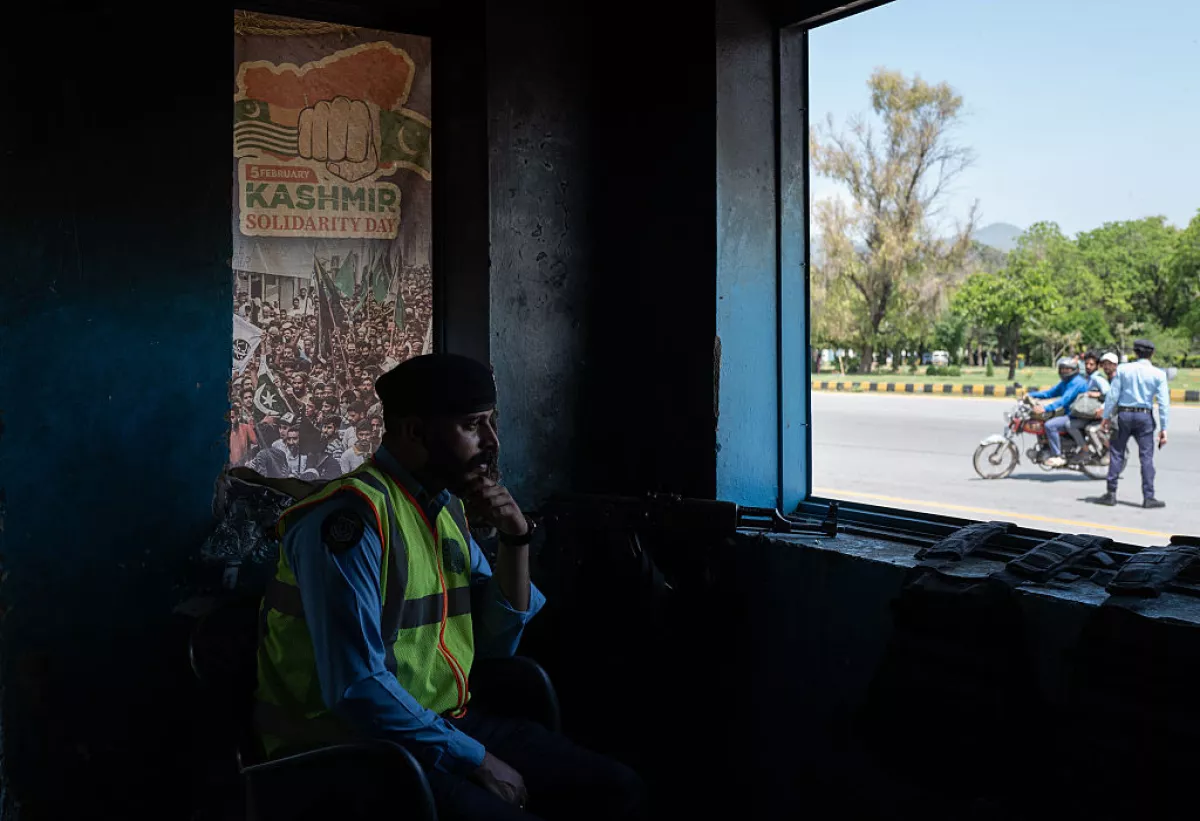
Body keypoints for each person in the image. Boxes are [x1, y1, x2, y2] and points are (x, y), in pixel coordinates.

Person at [254, 353, 646, 821]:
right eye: (472, 425)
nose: (491, 442)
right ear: (415, 432)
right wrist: (476, 757)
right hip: (352, 746)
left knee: (621, 789)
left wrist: (515, 539)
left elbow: (498, 644)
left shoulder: (445, 508)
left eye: (490, 423)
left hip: (438, 722)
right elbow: (356, 688)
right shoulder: (350, 521)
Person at [1098, 339, 1169, 508]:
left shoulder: (1123, 370)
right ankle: (1149, 496)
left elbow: (1113, 395)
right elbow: (1163, 403)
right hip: (1144, 417)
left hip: (1123, 415)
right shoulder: (1158, 374)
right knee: (1146, 457)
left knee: (1116, 453)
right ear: (1152, 354)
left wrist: (1106, 417)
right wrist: (1164, 428)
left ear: (1135, 353)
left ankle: (1111, 493)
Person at [1028, 357, 1089, 467]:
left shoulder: (1077, 382)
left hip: (1077, 415)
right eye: (1062, 369)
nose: (1064, 371)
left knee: (1050, 425)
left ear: (1074, 370)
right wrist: (1030, 395)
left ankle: (1058, 455)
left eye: (1067, 369)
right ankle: (1048, 447)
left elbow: (1064, 399)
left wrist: (1046, 408)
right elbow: (1050, 393)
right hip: (1070, 413)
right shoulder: (1065, 382)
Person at [1065, 351, 1113, 453]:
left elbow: (1110, 395)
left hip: (1094, 414)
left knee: (1070, 425)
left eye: (1091, 364)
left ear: (1097, 366)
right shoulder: (1089, 378)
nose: (1088, 366)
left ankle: (1086, 450)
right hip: (1087, 413)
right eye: (1086, 364)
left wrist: (1099, 396)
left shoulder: (1098, 378)